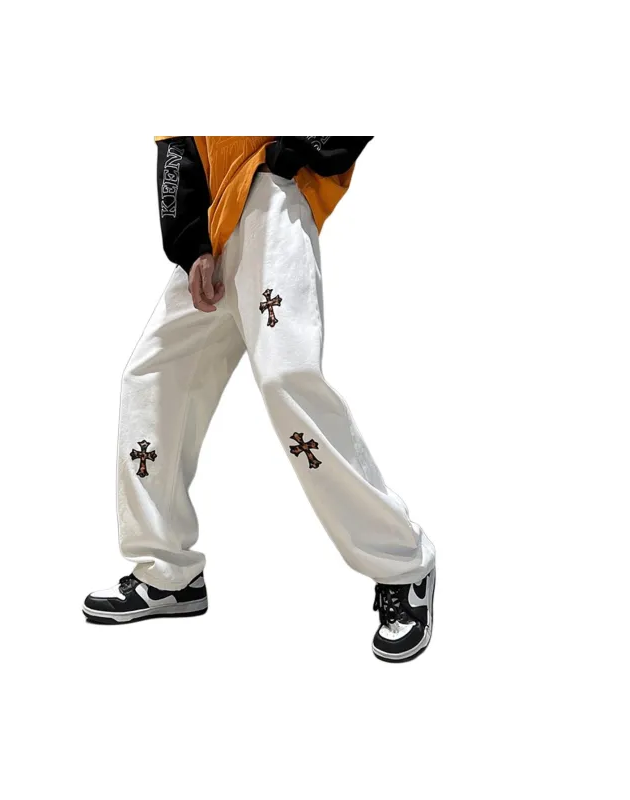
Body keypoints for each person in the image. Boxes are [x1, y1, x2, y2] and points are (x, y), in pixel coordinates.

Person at [82, 137, 437, 662]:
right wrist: (192, 246)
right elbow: (178, 147)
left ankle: (403, 563)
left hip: (270, 195)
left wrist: (296, 151)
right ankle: (167, 572)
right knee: (152, 376)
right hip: (215, 221)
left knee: (285, 378)